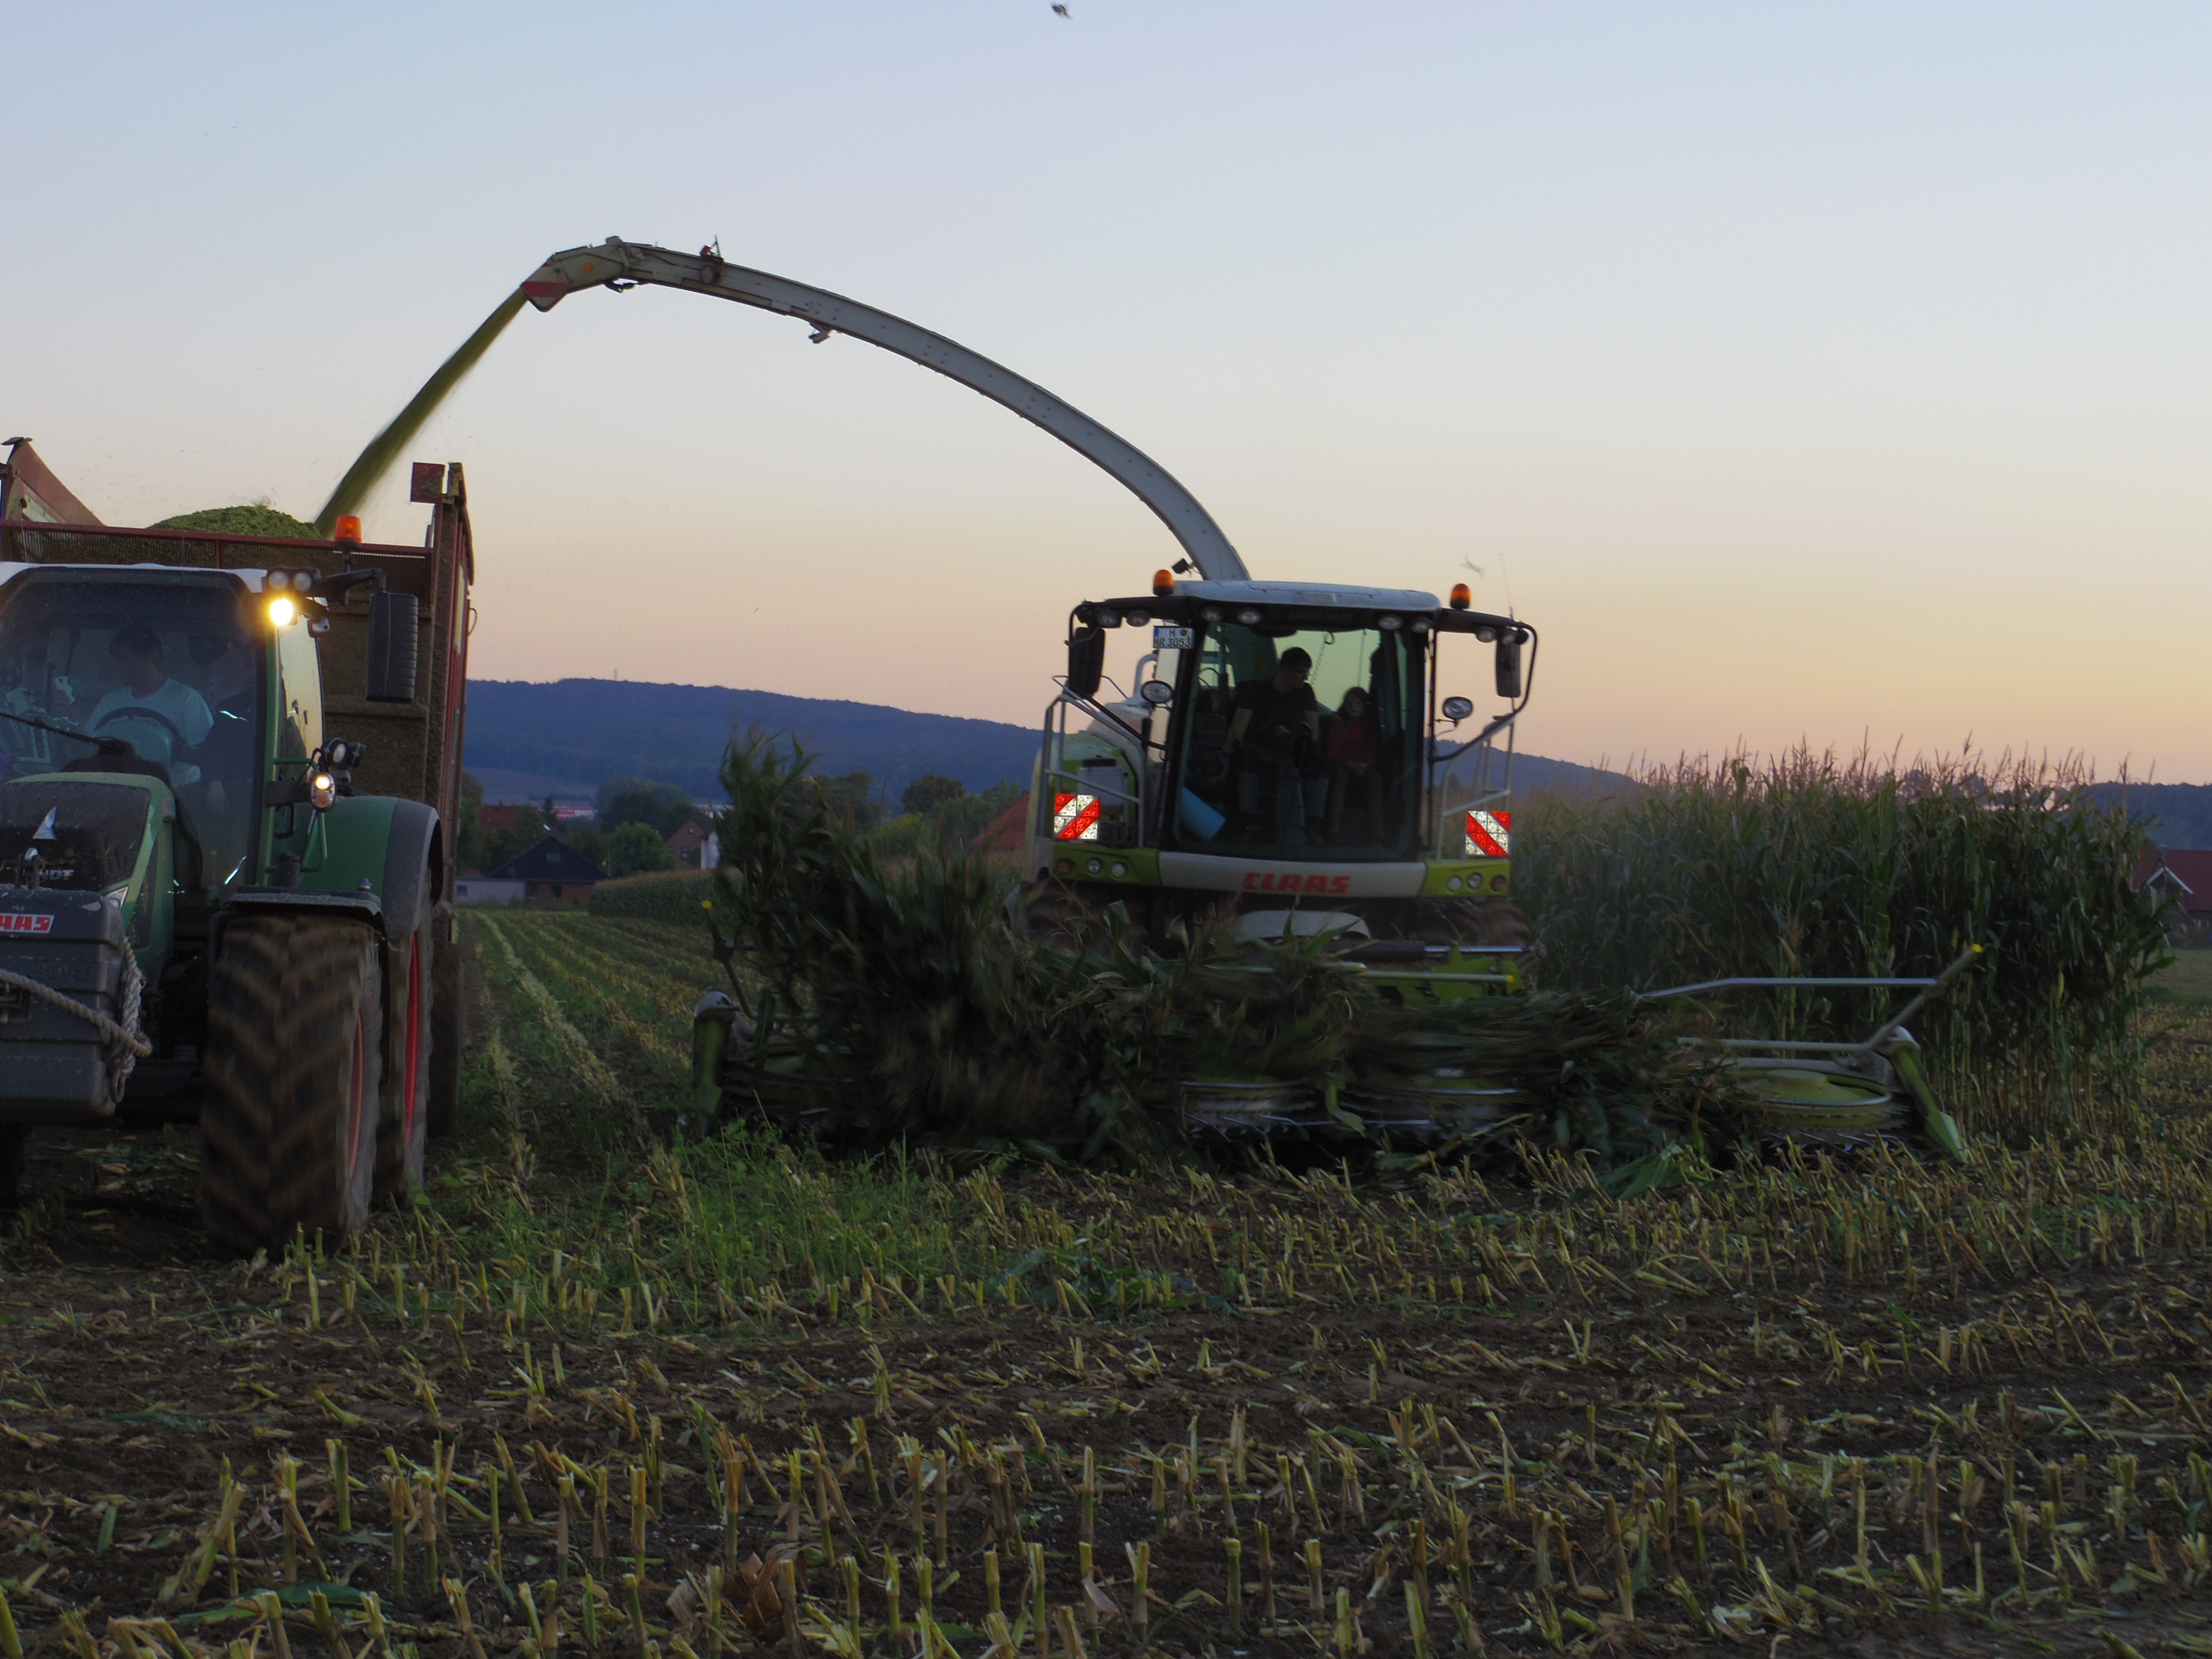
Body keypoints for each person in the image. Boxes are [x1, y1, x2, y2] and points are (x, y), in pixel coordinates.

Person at [1227, 647, 1322, 844]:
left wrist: (1293, 737)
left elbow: (1314, 733)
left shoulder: (1305, 693)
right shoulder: (1255, 691)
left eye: (1307, 672)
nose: (1305, 677)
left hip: (1293, 749)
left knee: (1318, 763)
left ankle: (1308, 826)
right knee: (1247, 757)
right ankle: (1249, 820)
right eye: (1301, 671)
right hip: (1261, 748)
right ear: (1285, 670)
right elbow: (1238, 731)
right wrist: (1234, 743)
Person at [87, 624, 215, 750]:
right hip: (118, 772)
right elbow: (86, 745)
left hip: (168, 772)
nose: (118, 666)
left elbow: (207, 752)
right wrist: (69, 716)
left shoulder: (185, 698)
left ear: (149, 655)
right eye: (116, 659)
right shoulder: (111, 701)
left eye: (123, 658)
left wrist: (173, 752)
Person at [1325, 685, 1381, 841]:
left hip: (1363, 766)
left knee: (1375, 778)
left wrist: (1366, 765)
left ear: (1364, 706)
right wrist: (1349, 764)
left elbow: (1372, 750)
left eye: (1357, 703)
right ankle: (1334, 827)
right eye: (1349, 703)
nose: (1353, 707)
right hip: (1342, 764)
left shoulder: (1369, 727)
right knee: (1340, 778)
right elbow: (1334, 750)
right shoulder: (1339, 724)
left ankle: (1376, 828)